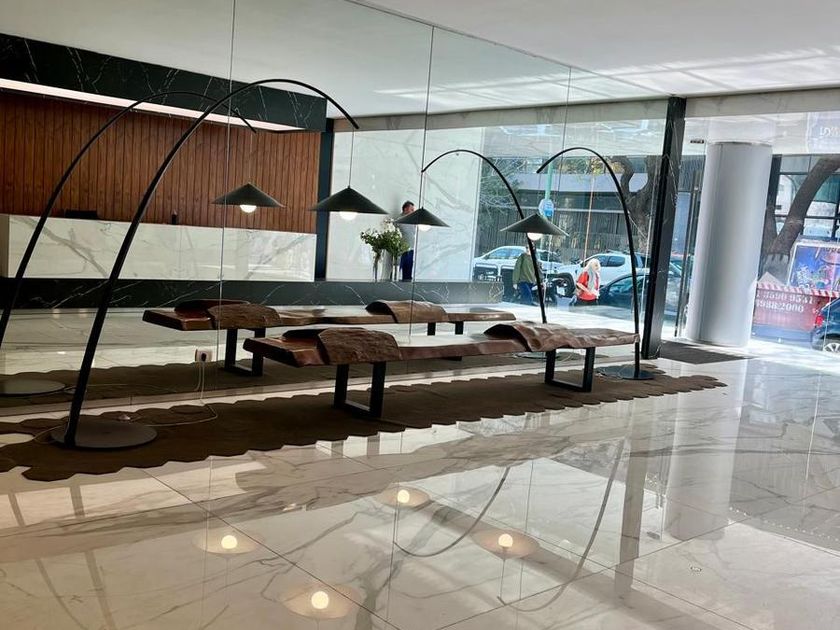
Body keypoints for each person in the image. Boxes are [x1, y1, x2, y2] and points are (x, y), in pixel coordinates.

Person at [396, 200, 415, 281]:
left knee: (408, 273)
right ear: (405, 209)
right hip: (401, 250)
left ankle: (407, 285)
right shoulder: (399, 220)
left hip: (410, 249)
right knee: (397, 271)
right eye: (412, 210)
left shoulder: (412, 221)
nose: (413, 212)